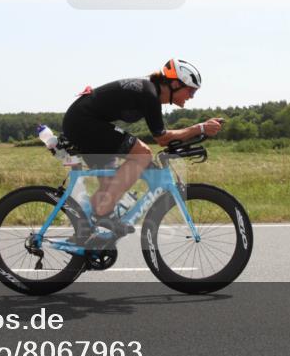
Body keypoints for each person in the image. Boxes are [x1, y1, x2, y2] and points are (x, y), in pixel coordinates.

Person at [62, 59, 223, 240]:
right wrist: (199, 128)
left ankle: (84, 235)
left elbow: (165, 134)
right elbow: (162, 138)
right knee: (142, 154)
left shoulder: (149, 91)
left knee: (109, 187)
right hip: (84, 123)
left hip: (82, 122)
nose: (192, 96)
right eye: (191, 90)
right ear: (175, 84)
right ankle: (103, 216)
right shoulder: (149, 94)